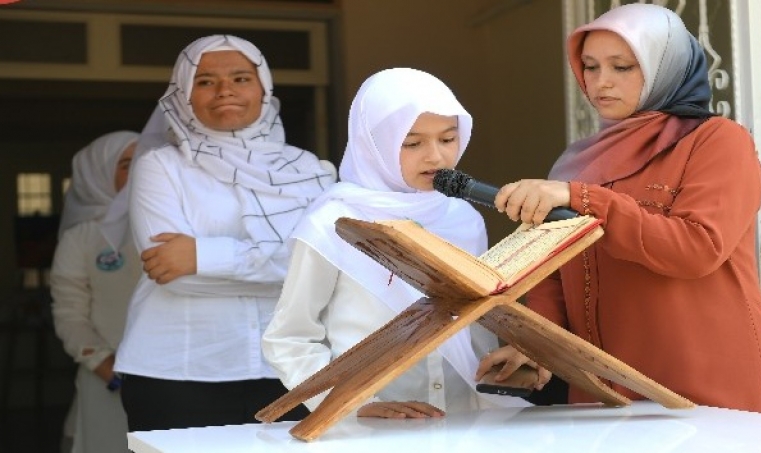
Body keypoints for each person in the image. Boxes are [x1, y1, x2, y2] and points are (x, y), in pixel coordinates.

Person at [477, 3, 761, 416]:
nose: (600, 82)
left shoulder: (717, 141)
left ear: (666, 66)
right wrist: (536, 349)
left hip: (711, 391)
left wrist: (583, 199)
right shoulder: (578, 163)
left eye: (622, 67)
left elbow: (698, 247)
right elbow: (557, 269)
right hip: (608, 399)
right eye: (590, 67)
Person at [262, 67, 534, 419]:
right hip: (368, 428)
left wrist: (503, 374)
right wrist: (353, 405)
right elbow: (289, 337)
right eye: (412, 143)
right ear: (373, 143)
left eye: (448, 139)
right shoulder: (332, 222)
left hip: (463, 418)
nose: (435, 157)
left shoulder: (464, 219)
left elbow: (476, 327)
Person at [113, 35, 336, 431]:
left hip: (294, 368)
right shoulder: (160, 166)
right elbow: (173, 277)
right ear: (183, 94)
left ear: (263, 88)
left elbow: (327, 271)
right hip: (177, 373)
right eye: (205, 81)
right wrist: (288, 270)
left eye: (240, 78)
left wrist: (204, 257)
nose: (224, 91)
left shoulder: (309, 171)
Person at [51, 130, 141, 452]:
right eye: (126, 164)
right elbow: (69, 315)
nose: (138, 172)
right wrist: (110, 370)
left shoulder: (170, 225)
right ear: (98, 173)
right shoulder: (82, 238)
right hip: (106, 379)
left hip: (173, 375)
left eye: (145, 161)